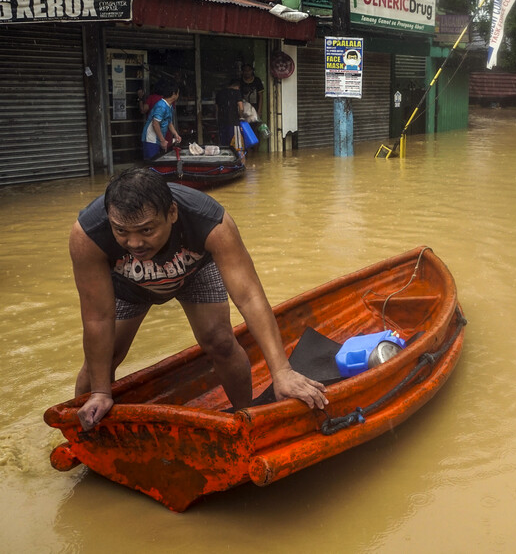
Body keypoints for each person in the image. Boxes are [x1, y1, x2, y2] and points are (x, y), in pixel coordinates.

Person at [70, 168, 327, 430]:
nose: (134, 243)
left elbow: (249, 297)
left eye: (146, 230)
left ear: (172, 213)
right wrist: (101, 392)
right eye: (121, 231)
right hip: (128, 283)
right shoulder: (88, 234)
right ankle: (79, 434)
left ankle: (247, 418)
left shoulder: (210, 221)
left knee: (220, 341)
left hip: (194, 272)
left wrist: (281, 372)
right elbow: (97, 317)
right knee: (99, 365)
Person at [141, 80, 182, 160]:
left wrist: (175, 134)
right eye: (178, 93)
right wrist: (162, 140)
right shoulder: (161, 106)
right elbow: (155, 123)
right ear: (174, 94)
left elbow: (169, 122)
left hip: (157, 140)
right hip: (151, 140)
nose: (178, 95)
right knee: (152, 164)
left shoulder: (169, 105)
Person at [215, 78, 244, 146]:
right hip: (233, 122)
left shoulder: (219, 93)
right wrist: (241, 116)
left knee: (224, 144)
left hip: (221, 122)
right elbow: (241, 108)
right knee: (235, 144)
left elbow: (217, 108)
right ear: (238, 86)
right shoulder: (237, 92)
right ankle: (235, 156)